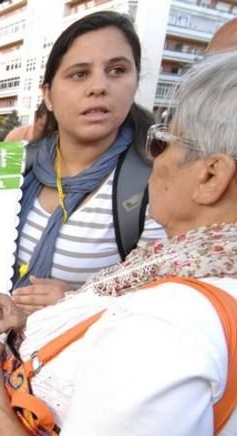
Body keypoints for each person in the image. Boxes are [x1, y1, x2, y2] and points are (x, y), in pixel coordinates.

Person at [0, 50, 237, 436]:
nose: (154, 157)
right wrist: (27, 322)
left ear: (211, 177)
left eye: (164, 140)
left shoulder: (166, 331)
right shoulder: (188, 268)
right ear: (48, 95)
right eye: (79, 73)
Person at [9, 11, 165, 316]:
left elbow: (162, 306)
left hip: (84, 359)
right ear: (48, 95)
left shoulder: (158, 184)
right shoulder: (17, 166)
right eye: (79, 74)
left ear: (135, 81)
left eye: (117, 70)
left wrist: (81, 303)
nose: (99, 86)